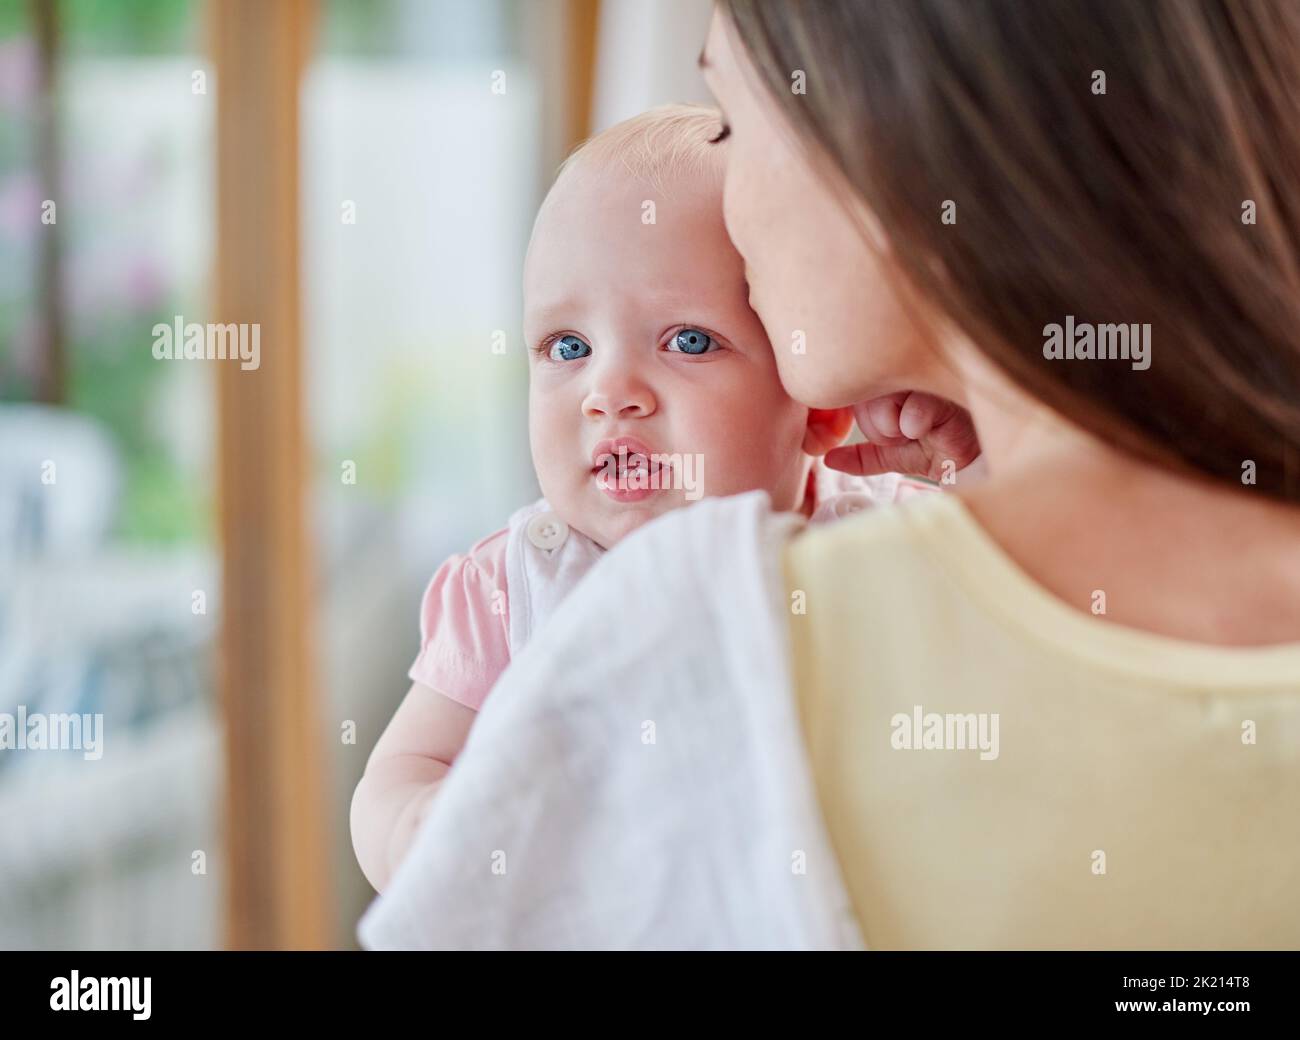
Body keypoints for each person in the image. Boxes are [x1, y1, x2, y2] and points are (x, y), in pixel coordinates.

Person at [363, 0, 1300, 948]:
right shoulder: (528, 582)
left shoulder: (701, 627)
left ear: (891, 132)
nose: (609, 393)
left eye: (729, 118)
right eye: (563, 345)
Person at [349, 105, 936, 894]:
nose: (608, 394)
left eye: (687, 340)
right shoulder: (513, 589)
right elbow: (401, 771)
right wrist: (418, 830)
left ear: (818, 403)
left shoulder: (887, 538)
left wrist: (964, 448)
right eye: (569, 348)